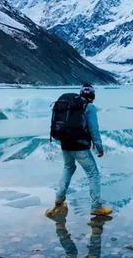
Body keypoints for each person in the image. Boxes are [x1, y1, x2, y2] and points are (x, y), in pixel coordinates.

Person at [45, 84, 113, 218]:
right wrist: (99, 147)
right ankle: (96, 207)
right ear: (92, 96)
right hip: (80, 146)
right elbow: (94, 129)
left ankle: (59, 201)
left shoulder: (69, 105)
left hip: (65, 143)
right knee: (93, 174)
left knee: (68, 168)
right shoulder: (89, 107)